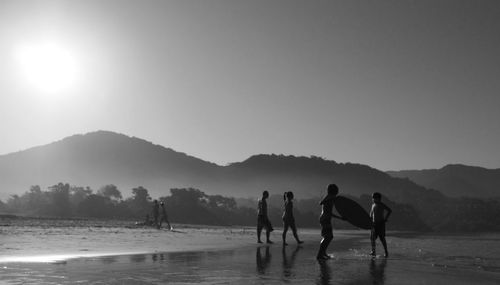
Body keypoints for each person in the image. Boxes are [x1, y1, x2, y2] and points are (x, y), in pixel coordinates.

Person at [317, 184, 345, 260]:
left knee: (327, 237)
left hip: (324, 219)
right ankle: (320, 255)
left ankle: (323, 253)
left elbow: (322, 204)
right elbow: (328, 212)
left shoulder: (328, 197)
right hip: (325, 219)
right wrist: (340, 218)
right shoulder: (329, 199)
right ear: (335, 191)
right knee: (328, 237)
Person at [370, 192, 392, 257]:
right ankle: (373, 251)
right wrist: (369, 220)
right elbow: (371, 214)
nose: (373, 199)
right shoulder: (373, 205)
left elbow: (389, 210)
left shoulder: (381, 204)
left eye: (374, 198)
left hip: (380, 224)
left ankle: (386, 252)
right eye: (372, 198)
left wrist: (385, 219)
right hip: (374, 224)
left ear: (379, 199)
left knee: (382, 238)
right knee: (372, 238)